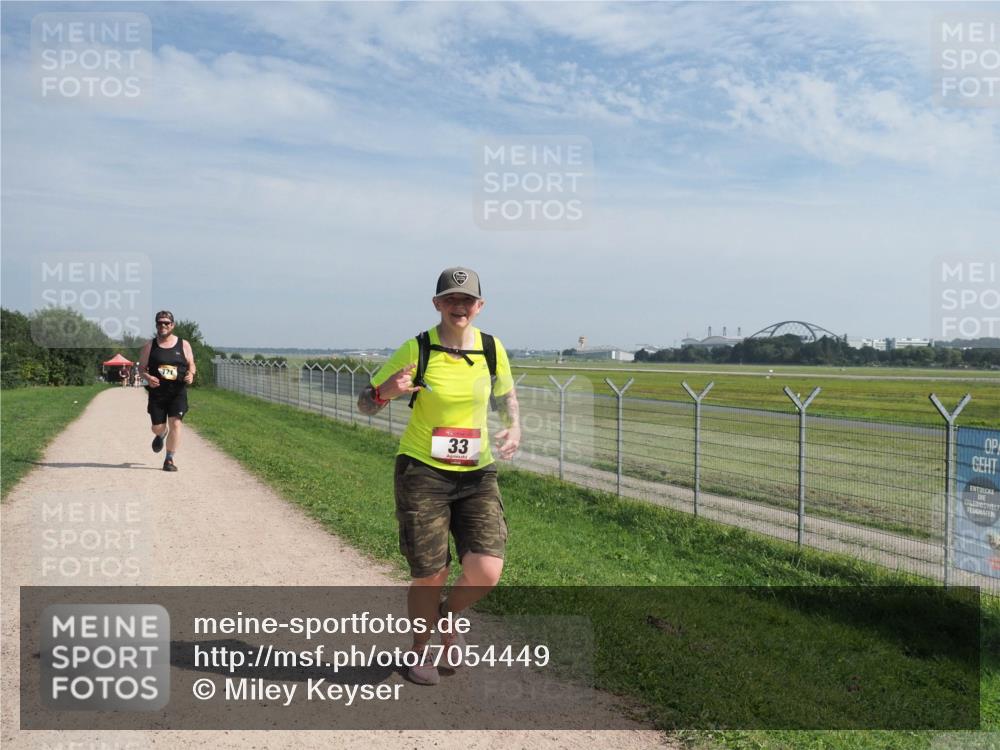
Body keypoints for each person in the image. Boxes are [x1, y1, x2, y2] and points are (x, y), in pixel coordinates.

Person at [358, 267, 521, 686]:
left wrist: (514, 426)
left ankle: (448, 616)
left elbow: (505, 393)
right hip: (423, 472)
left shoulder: (491, 348)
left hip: (477, 473)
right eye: (450, 298)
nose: (458, 306)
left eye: (467, 299)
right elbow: (365, 403)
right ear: (437, 304)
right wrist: (385, 392)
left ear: (480, 306)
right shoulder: (417, 348)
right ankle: (420, 650)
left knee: (487, 569)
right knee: (430, 573)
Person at [138, 311, 196, 472]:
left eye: (166, 323)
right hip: (157, 393)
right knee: (157, 427)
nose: (163, 325)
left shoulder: (183, 344)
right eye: (160, 323)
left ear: (172, 325)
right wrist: (148, 377)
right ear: (156, 325)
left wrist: (191, 374)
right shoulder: (150, 346)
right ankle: (161, 434)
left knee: (176, 423)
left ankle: (169, 459)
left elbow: (191, 363)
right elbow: (141, 368)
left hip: (177, 392)